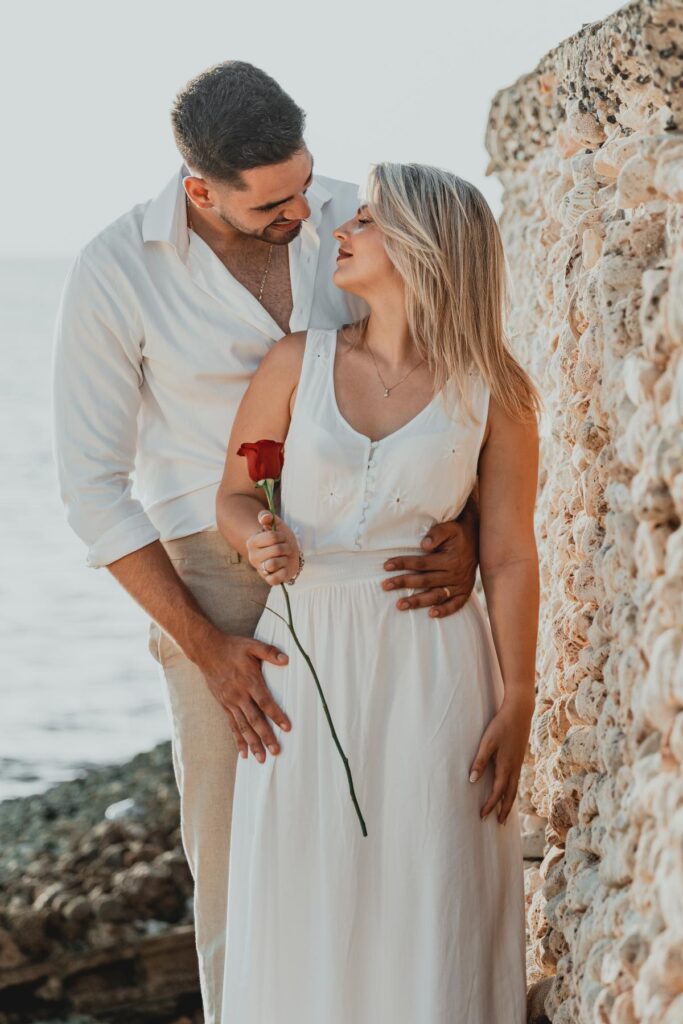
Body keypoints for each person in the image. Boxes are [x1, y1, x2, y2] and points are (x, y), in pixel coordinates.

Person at [52, 64, 480, 1023]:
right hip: (213, 575)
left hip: (379, 575)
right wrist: (204, 650)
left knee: (394, 847)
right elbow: (92, 489)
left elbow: (459, 366)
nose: (306, 212)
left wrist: (471, 533)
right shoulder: (116, 270)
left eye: (306, 181)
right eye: (272, 204)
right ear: (201, 191)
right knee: (240, 862)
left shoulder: (353, 214)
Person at [216, 162, 541, 1022]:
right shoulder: (298, 360)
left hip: (433, 671)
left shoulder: (495, 390)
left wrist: (518, 698)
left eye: (366, 218)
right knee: (306, 891)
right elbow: (233, 496)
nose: (341, 230)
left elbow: (508, 553)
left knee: (431, 888)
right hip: (304, 661)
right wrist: (258, 538)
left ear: (425, 248)